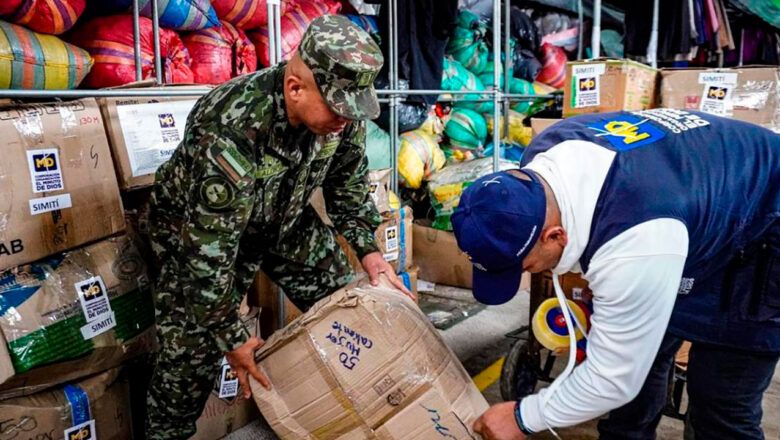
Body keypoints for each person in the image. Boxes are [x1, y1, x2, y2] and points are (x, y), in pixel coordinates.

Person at [144, 15, 412, 439]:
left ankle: (367, 407)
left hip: (278, 219)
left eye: (354, 107)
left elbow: (347, 180)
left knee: (344, 302)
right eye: (340, 107)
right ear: (295, 88)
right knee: (188, 364)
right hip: (194, 240)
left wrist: (369, 250)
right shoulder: (230, 126)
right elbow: (206, 253)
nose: (348, 118)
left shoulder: (341, 113)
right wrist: (232, 335)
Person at [452, 108, 779, 440]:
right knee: (638, 367)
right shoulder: (542, 158)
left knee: (719, 401)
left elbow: (613, 378)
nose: (529, 273)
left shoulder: (635, 240)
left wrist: (523, 417)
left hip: (766, 226)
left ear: (555, 236)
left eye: (526, 265)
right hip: (696, 209)